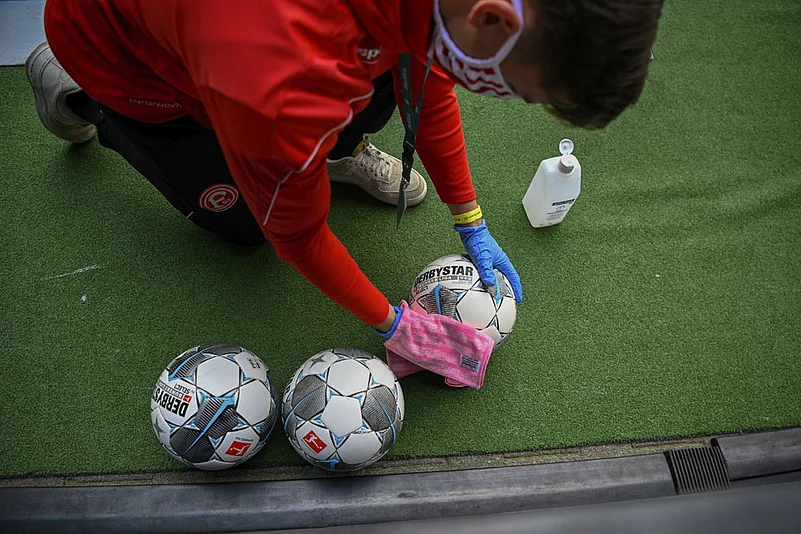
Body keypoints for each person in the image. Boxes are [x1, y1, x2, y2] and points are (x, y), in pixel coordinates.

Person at [27, 0, 662, 386]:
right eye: (523, 90)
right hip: (128, 56)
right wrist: (396, 324)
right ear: (494, 18)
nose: (511, 96)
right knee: (249, 224)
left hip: (251, 64)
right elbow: (298, 237)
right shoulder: (281, 81)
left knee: (373, 86)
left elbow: (425, 70)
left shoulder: (449, 15)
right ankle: (76, 93)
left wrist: (468, 216)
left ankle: (319, 150)